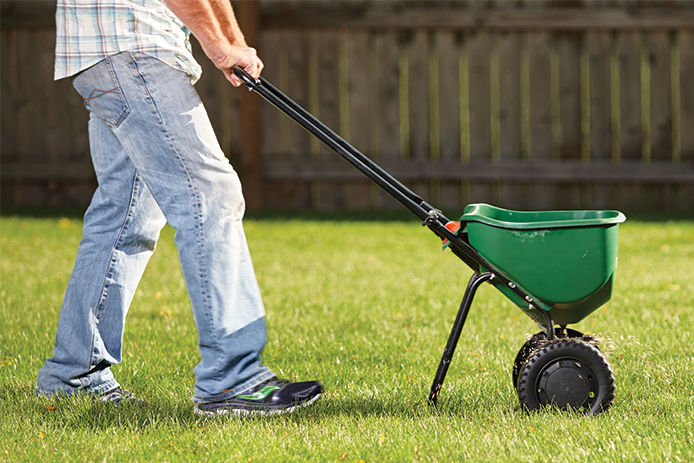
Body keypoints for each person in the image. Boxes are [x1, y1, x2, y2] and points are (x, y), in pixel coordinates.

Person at [36, 0, 323, 417]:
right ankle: (233, 379)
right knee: (211, 196)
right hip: (131, 45)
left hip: (109, 51)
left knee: (125, 215)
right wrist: (219, 46)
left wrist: (234, 43)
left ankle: (75, 375)